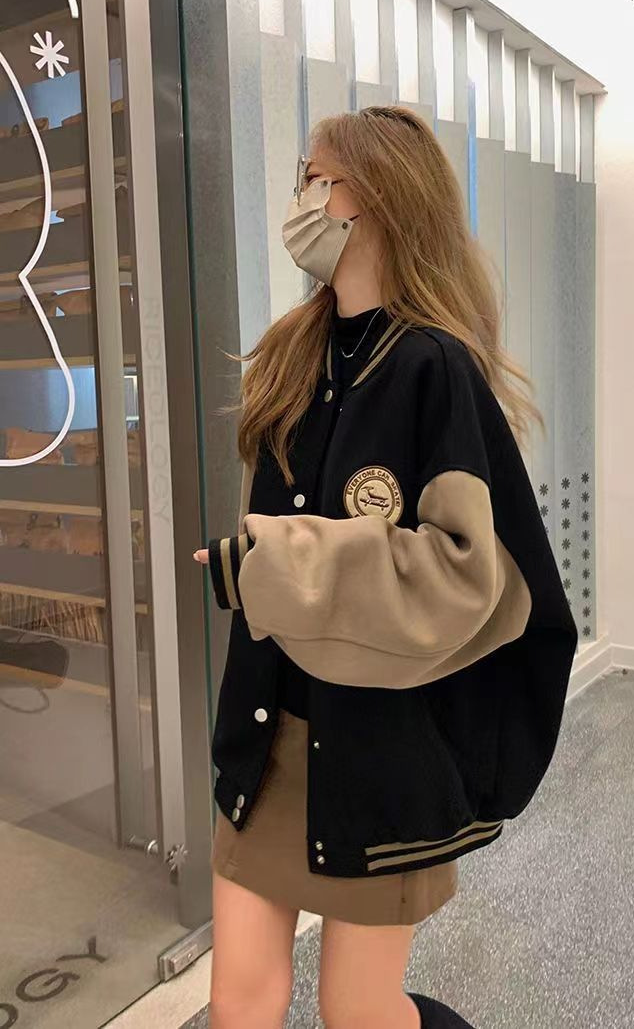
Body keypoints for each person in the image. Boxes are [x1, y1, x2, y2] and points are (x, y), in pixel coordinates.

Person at [194, 104, 578, 1029]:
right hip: (265, 737)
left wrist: (282, 565)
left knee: (358, 1009)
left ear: (373, 198)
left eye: (315, 178)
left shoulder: (435, 369)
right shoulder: (293, 353)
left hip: (381, 752)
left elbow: (465, 572)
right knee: (238, 1001)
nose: (301, 197)